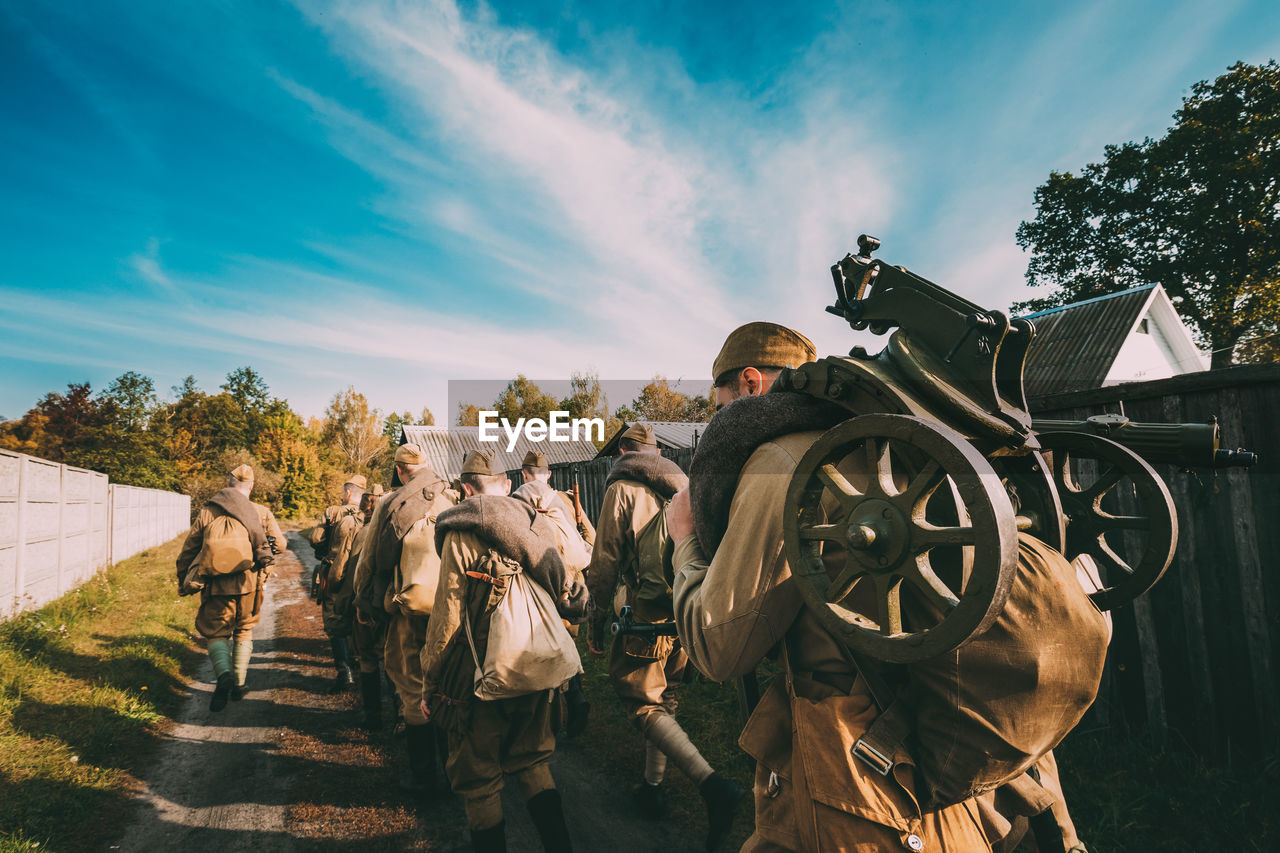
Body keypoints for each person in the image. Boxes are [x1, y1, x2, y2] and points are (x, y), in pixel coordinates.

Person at [419, 450, 589, 853]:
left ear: (464, 489)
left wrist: (430, 682)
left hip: (477, 676)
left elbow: (446, 619)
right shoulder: (535, 522)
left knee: (479, 781)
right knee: (532, 762)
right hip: (535, 664)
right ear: (507, 484)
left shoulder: (461, 531)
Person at [587, 423, 744, 851]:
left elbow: (604, 559)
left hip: (645, 613)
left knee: (641, 702)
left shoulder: (622, 487)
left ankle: (713, 787)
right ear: (657, 451)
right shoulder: (685, 483)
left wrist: (595, 614)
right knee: (666, 697)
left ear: (623, 450)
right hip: (686, 604)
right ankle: (652, 788)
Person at [355, 443, 458, 794]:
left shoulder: (389, 504)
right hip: (448, 613)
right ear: (427, 465)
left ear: (399, 471)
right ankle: (452, 772)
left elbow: (369, 561)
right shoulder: (451, 499)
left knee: (413, 689)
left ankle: (424, 778)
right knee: (444, 685)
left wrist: (363, 600)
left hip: (406, 611)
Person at [175, 464, 285, 711]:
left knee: (217, 633)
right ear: (252, 487)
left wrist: (184, 579)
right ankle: (239, 684)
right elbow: (280, 545)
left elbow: (189, 550)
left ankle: (223, 675)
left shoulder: (209, 510)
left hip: (215, 584)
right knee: (244, 629)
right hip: (250, 583)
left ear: (227, 485)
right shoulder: (261, 512)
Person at [518, 450, 593, 736]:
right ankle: (575, 702)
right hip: (572, 586)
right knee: (567, 646)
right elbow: (590, 536)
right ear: (548, 474)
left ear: (523, 474)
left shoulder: (521, 499)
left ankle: (554, 719)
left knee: (545, 652)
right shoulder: (565, 500)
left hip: (542, 585)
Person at [315, 475, 367, 693]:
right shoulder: (370, 515)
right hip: (361, 576)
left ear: (347, 493)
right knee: (358, 617)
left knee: (335, 620)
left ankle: (344, 672)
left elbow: (316, 538)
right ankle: (359, 663)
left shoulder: (333, 511)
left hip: (335, 574)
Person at [349, 483, 392, 730]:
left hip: (367, 605)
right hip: (389, 603)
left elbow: (356, 574)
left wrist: (352, 604)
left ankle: (373, 716)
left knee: (367, 659)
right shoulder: (399, 529)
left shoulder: (364, 532)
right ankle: (400, 716)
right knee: (392, 659)